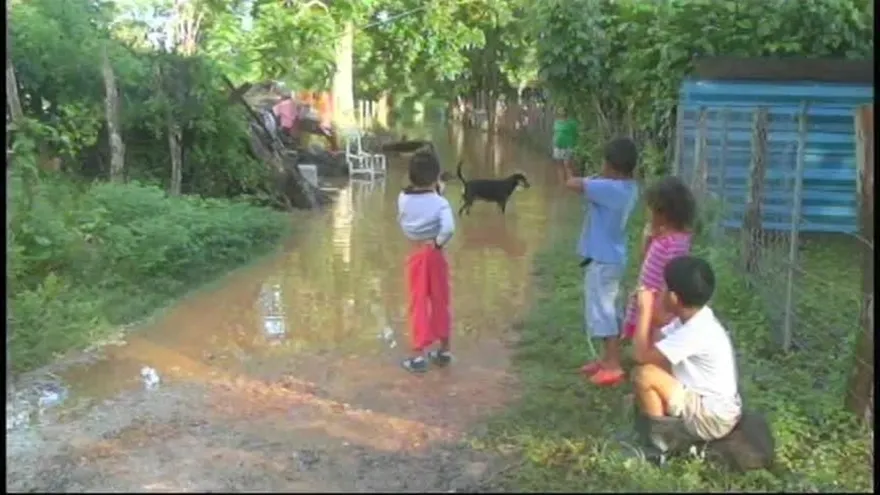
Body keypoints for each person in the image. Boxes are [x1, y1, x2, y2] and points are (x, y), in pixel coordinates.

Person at [631, 256, 742, 441]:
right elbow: (660, 341)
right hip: (709, 404)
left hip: (712, 418)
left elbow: (640, 355)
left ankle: (662, 443)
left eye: (665, 287)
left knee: (644, 375)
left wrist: (644, 311)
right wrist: (653, 310)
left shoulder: (696, 331)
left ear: (674, 297)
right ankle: (664, 427)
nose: (660, 290)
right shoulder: (696, 317)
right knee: (656, 367)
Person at [562, 137, 639, 386]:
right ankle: (607, 360)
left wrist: (568, 166)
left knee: (603, 312)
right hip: (613, 257)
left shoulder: (609, 189)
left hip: (604, 260)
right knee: (609, 310)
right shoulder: (628, 188)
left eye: (604, 163)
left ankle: (613, 364)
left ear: (612, 167)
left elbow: (572, 184)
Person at [397, 150, 455, 373]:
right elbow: (448, 228)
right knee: (441, 299)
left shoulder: (402, 199)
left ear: (411, 176)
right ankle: (444, 351)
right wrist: (438, 242)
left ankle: (418, 356)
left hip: (416, 254)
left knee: (417, 302)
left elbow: (416, 202)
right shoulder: (441, 204)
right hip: (436, 254)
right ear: (435, 177)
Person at [620, 175, 696, 342]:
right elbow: (645, 260)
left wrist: (659, 310)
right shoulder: (661, 236)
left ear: (664, 213)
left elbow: (671, 279)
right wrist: (648, 239)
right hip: (647, 297)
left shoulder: (675, 243)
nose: (648, 213)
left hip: (657, 307)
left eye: (651, 209)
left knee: (649, 347)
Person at [552, 109, 578, 183]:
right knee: (559, 166)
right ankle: (562, 183)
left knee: (567, 165)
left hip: (567, 146)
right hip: (557, 146)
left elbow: (575, 134)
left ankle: (571, 183)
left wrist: (573, 144)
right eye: (560, 111)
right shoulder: (556, 122)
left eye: (563, 111)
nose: (561, 113)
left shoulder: (571, 123)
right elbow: (555, 133)